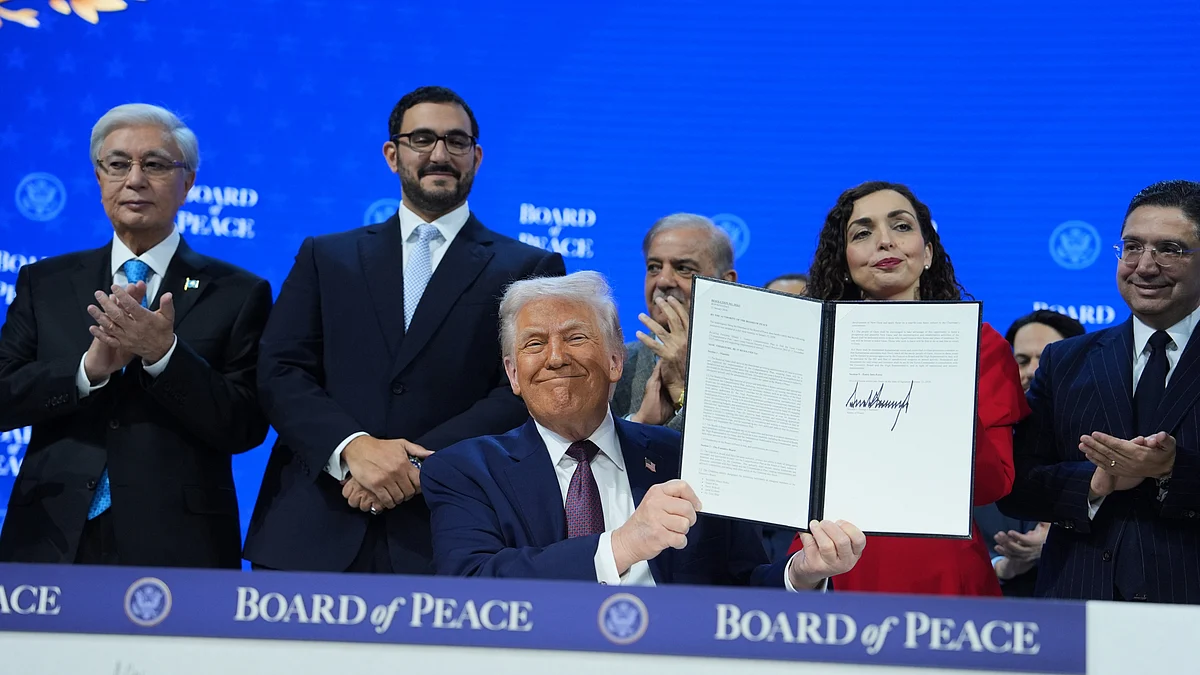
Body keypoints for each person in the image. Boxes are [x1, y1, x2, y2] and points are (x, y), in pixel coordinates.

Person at [243, 86, 565, 574]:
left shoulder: (529, 266)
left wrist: (417, 465)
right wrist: (352, 449)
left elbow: (523, 389)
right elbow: (280, 370)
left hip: (452, 532)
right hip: (314, 526)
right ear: (392, 154)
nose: (440, 154)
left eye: (456, 142)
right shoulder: (326, 257)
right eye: (422, 139)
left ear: (476, 157)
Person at [422, 271, 864, 588]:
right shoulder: (464, 470)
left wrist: (802, 573)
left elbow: (743, 587)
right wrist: (623, 545)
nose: (556, 357)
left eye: (576, 338)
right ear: (514, 373)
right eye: (535, 344)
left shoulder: (690, 460)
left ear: (616, 361)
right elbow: (469, 586)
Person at [0, 104, 272, 567]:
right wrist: (88, 371)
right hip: (49, 533)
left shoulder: (239, 292)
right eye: (118, 164)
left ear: (188, 183)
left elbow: (245, 425)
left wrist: (164, 354)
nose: (135, 179)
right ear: (99, 177)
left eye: (156, 164)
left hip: (178, 542)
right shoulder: (43, 282)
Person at [788, 181, 1029, 595]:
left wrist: (946, 392)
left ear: (928, 252)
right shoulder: (810, 346)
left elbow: (994, 484)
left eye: (901, 227)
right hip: (829, 560)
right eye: (862, 233)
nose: (884, 242)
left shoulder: (980, 344)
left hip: (942, 569)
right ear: (844, 262)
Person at [999, 180, 1200, 603]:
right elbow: (1018, 486)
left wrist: (1171, 470)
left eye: (1169, 249)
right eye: (1132, 247)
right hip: (1077, 615)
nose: (1145, 266)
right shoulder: (1064, 361)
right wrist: (1098, 479)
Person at [976, 310, 1086, 596]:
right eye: (1022, 360)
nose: (1033, 371)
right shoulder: (980, 444)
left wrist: (1058, 538)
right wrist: (1001, 565)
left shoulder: (1099, 444)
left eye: (1047, 360)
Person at [610, 214, 736, 430]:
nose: (663, 280)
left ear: (725, 283)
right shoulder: (615, 366)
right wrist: (638, 422)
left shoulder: (751, 367)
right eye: (654, 267)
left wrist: (682, 392)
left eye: (684, 268)